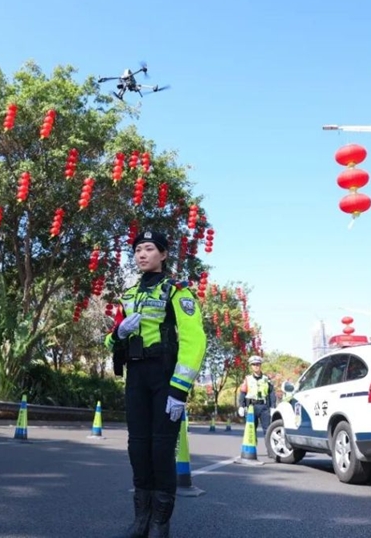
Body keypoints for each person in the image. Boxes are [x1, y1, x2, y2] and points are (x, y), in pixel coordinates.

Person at [105, 230, 207, 538]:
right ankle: (141, 520)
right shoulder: (127, 296)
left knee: (161, 449)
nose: (142, 254)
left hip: (164, 377)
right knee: (137, 447)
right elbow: (111, 340)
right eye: (138, 250)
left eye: (149, 249)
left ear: (163, 254)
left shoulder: (177, 291)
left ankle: (160, 523)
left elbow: (194, 340)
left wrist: (179, 389)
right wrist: (119, 333)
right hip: (136, 376)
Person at [237, 355, 276, 442]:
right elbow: (243, 393)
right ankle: (251, 448)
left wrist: (273, 406)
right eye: (253, 364)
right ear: (251, 366)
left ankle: (270, 448)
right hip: (251, 407)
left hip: (264, 407)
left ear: (260, 365)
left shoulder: (266, 379)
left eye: (258, 364)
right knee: (251, 430)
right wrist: (241, 406)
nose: (256, 366)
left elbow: (271, 393)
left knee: (268, 430)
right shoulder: (248, 379)